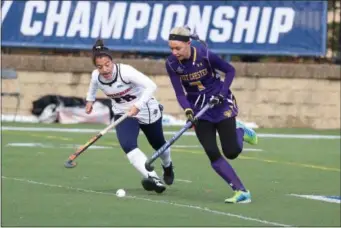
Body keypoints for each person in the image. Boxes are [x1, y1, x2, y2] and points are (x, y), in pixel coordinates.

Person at [165, 26, 258, 203]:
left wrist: (222, 93)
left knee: (231, 152)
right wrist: (188, 110)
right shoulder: (171, 64)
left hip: (221, 104)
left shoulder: (204, 55)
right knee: (212, 152)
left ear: (188, 43)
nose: (174, 52)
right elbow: (179, 92)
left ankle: (240, 131)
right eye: (171, 48)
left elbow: (230, 70)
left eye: (178, 48)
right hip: (200, 111)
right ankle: (241, 191)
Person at [86, 39, 174, 193]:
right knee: (128, 145)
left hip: (145, 108)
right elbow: (93, 87)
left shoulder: (125, 72)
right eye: (100, 67)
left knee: (158, 144)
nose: (105, 70)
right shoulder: (96, 76)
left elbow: (151, 86)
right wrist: (90, 101)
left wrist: (138, 106)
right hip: (123, 113)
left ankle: (168, 166)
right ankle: (153, 178)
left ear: (112, 61)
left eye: (107, 65)